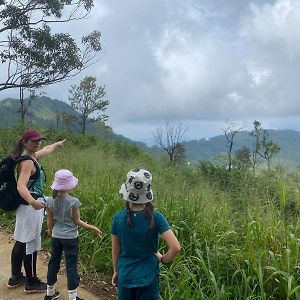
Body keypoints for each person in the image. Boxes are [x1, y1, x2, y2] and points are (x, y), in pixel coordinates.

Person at [7, 128, 65, 293]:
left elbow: (45, 150)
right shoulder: (27, 162)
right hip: (29, 206)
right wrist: (33, 202)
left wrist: (56, 144)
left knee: (21, 240)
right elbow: (21, 185)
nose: (39, 143)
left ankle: (16, 276)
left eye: (39, 140)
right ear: (25, 142)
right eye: (34, 141)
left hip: (24, 206)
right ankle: (31, 282)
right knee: (31, 243)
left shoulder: (31, 157)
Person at [111, 168, 181, 300]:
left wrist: (116, 271)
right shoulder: (156, 217)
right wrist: (163, 259)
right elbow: (176, 247)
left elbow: (116, 251)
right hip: (149, 278)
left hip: (125, 276)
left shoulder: (118, 218)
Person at [44, 169, 102, 300]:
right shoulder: (73, 202)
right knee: (71, 265)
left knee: (53, 263)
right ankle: (72, 296)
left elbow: (49, 221)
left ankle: (49, 293)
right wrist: (93, 228)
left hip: (56, 237)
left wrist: (50, 231)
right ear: (69, 185)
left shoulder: (49, 201)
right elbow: (77, 221)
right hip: (70, 238)